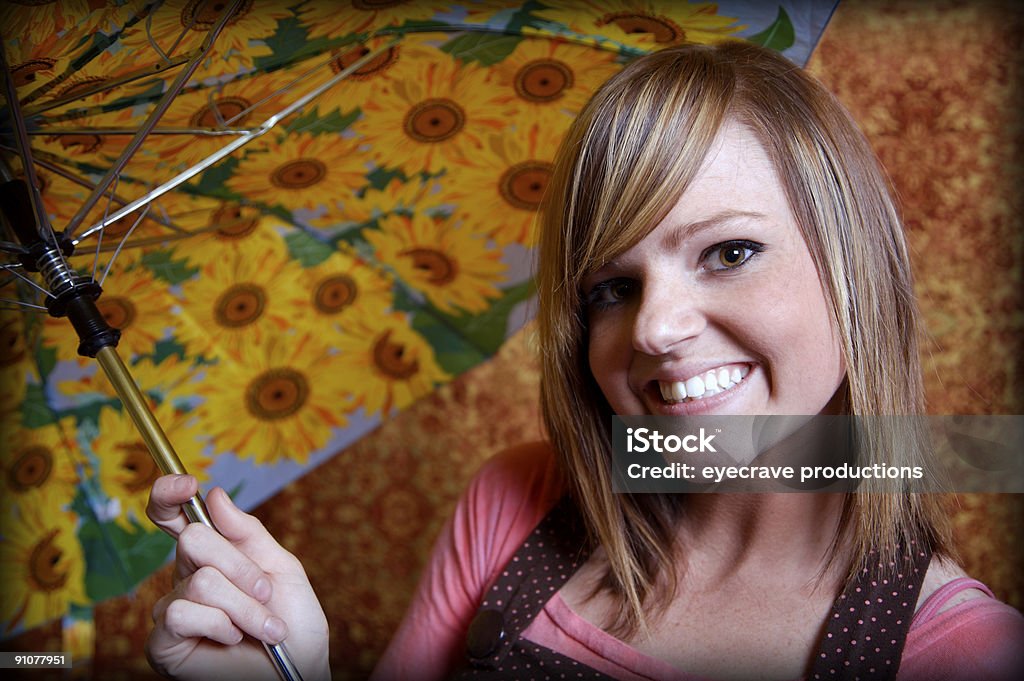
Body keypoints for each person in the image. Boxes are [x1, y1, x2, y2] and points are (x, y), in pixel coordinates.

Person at [145, 41, 1024, 680]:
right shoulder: (515, 503)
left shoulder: (965, 654)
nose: (653, 330)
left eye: (728, 252)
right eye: (610, 286)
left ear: (855, 269)